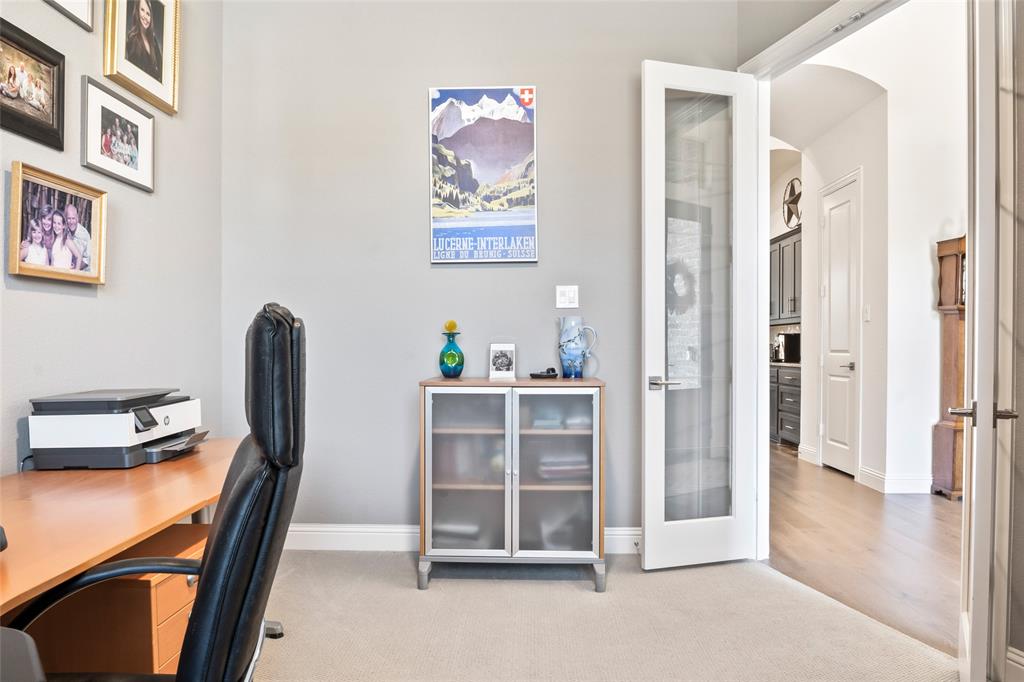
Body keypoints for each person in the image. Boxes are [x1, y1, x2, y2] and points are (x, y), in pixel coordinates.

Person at [125, 0, 162, 82]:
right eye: (142, 10)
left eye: (148, 14)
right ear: (137, 11)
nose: (145, 16)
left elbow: (161, 68)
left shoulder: (153, 40)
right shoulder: (132, 40)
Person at [64, 203, 90, 271]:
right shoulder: (65, 230)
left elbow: (86, 261)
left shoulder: (83, 234)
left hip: (83, 271)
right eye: (69, 218)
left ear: (77, 218)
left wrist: (74, 270)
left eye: (73, 218)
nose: (71, 221)